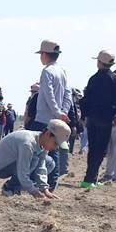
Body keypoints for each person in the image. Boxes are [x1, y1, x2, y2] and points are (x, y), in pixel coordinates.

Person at [0, 119, 70, 200]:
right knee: (33, 160)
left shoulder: (43, 142)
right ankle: (9, 188)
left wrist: (45, 190)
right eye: (55, 143)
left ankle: (21, 186)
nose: (55, 147)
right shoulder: (28, 143)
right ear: (48, 134)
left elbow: (41, 167)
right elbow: (23, 171)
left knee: (50, 163)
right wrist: (34, 192)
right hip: (0, 168)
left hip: (14, 164)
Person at [80, 50, 116, 189]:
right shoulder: (114, 79)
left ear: (99, 62)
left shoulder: (93, 78)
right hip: (106, 119)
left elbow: (85, 99)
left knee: (93, 148)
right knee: (101, 150)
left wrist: (84, 116)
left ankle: (90, 178)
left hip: (92, 118)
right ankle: (90, 178)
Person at [32, 40, 72, 191]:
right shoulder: (62, 71)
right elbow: (68, 94)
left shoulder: (47, 71)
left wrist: (57, 112)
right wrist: (63, 112)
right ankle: (52, 184)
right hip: (57, 119)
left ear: (44, 54)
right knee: (54, 151)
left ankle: (40, 183)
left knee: (38, 152)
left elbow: (48, 94)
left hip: (44, 118)